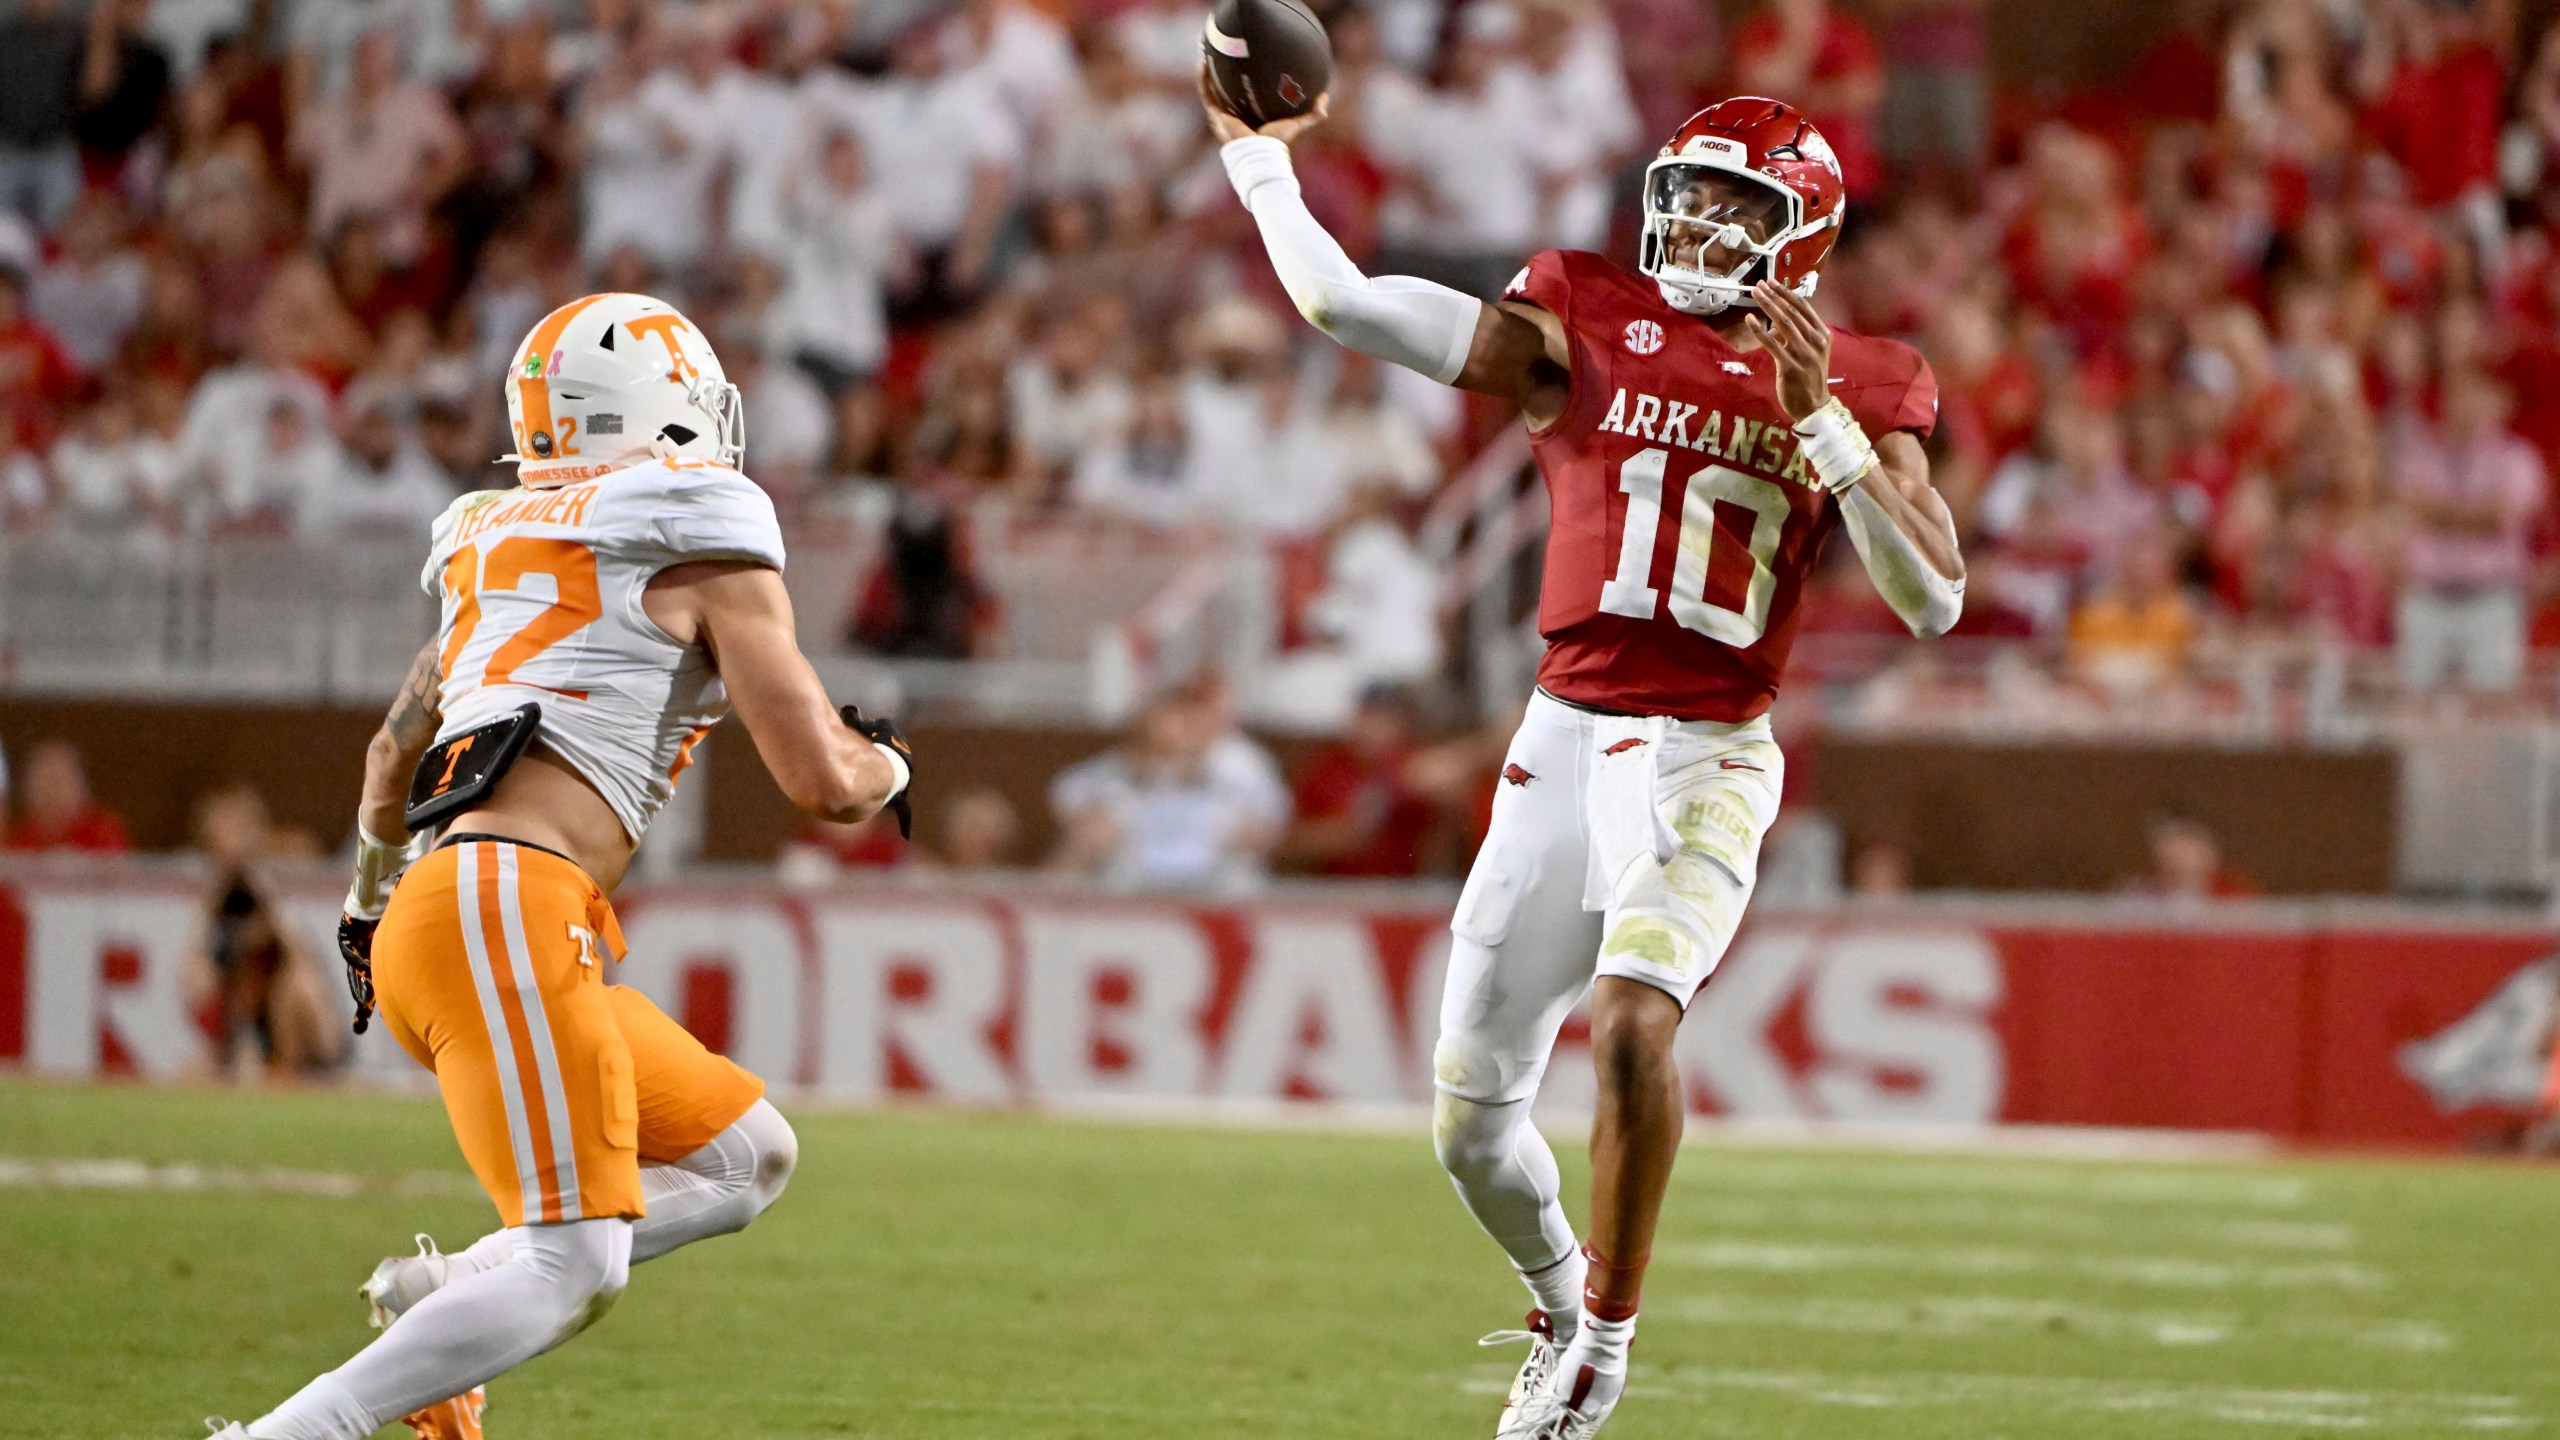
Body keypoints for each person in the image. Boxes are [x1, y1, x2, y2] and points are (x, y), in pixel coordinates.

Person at [1206, 88, 1962, 1438]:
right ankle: (1559, 1296)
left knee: (1631, 1022)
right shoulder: (1586, 319)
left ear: (1804, 237)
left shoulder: (1862, 375)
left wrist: (1823, 427)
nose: (1702, 221)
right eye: (1694, 190)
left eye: (1741, 204)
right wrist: (1256, 159)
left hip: (1709, 753)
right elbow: (1345, 306)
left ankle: (1602, 1352)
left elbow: (1933, 598)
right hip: (1558, 741)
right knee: (1469, 1123)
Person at [204, 293, 916, 1440]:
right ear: (669, 410)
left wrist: (365, 907)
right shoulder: (702, 519)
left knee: (745, 1157)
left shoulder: (494, 535)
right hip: (506, 906)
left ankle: (446, 1295)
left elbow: (393, 751)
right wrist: (890, 765)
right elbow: (824, 780)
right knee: (576, 1260)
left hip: (455, 907)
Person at [3, 740, 131, 852]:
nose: (51, 792)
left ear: (80, 786)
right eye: (43, 781)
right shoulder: (18, 840)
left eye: (58, 781)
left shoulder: (104, 832)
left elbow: (116, 871)